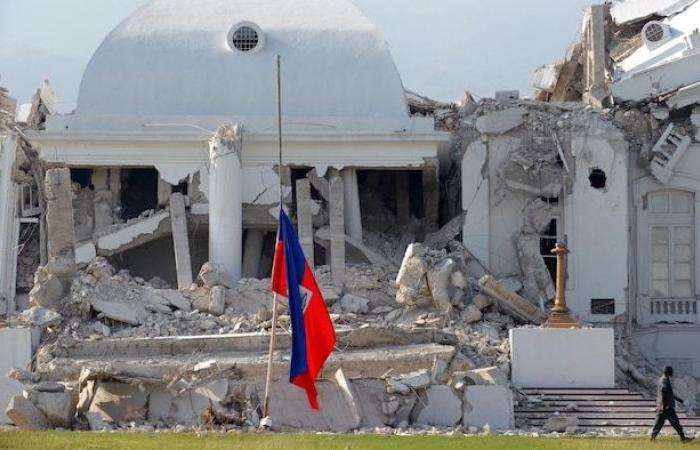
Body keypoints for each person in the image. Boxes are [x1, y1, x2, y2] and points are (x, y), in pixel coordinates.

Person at [651, 366, 694, 442]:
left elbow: (670, 394)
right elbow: (663, 391)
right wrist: (665, 406)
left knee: (658, 424)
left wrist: (680, 400)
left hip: (662, 407)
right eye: (671, 371)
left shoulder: (663, 379)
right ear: (668, 372)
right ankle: (683, 438)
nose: (672, 372)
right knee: (676, 423)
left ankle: (652, 439)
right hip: (667, 408)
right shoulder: (664, 380)